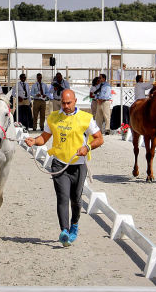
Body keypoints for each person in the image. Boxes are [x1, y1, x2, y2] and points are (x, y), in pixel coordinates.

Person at [24, 89, 103, 247]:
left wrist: (87, 147)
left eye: (69, 103)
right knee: (62, 197)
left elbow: (99, 139)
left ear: (75, 101)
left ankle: (74, 224)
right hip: (59, 164)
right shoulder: (53, 118)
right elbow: (44, 138)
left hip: (78, 165)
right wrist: (34, 141)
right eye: (63, 103)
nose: (66, 106)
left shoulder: (86, 118)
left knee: (76, 200)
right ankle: (64, 231)